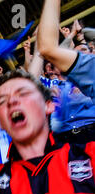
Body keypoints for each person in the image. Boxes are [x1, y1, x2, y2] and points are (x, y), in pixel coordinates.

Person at [37, 0, 95, 143]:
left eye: (85, 51)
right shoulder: (60, 84)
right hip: (64, 140)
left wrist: (78, 37)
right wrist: (71, 36)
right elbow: (55, 56)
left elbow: (50, 50)